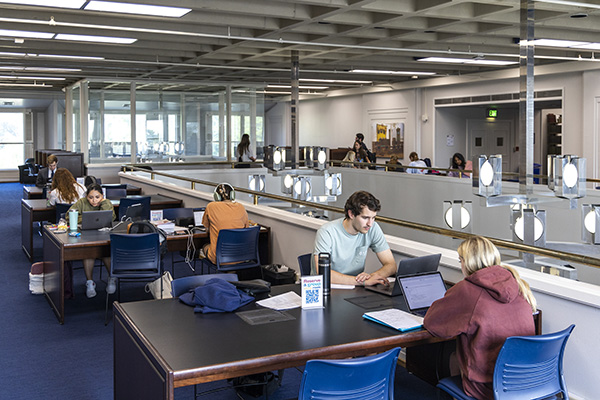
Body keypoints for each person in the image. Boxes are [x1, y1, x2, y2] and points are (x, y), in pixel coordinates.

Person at [423, 236, 537, 400]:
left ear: (466, 262)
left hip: (488, 387)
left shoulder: (467, 289)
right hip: (525, 381)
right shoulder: (518, 284)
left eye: (460, 260)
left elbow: (432, 323)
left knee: (454, 356)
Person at [312, 191, 396, 285]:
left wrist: (372, 277)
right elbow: (323, 272)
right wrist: (362, 281)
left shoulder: (372, 228)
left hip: (355, 288)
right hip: (326, 288)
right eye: (365, 218)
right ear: (351, 214)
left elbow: (391, 265)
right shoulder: (327, 232)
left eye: (373, 218)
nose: (370, 223)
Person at [68, 183, 117, 298]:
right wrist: (86, 218)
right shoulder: (81, 202)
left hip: (104, 236)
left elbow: (110, 217)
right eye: (90, 197)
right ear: (86, 197)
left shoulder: (106, 203)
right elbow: (69, 215)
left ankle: (111, 278)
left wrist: (103, 202)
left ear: (102, 196)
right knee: (88, 253)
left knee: (105, 252)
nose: (94, 201)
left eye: (97, 197)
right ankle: (90, 282)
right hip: (87, 236)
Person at [202, 183, 249, 265]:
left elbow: (206, 228)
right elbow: (246, 229)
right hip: (242, 256)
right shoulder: (241, 207)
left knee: (204, 246)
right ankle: (231, 273)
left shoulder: (211, 206)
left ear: (216, 196)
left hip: (220, 258)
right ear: (232, 195)